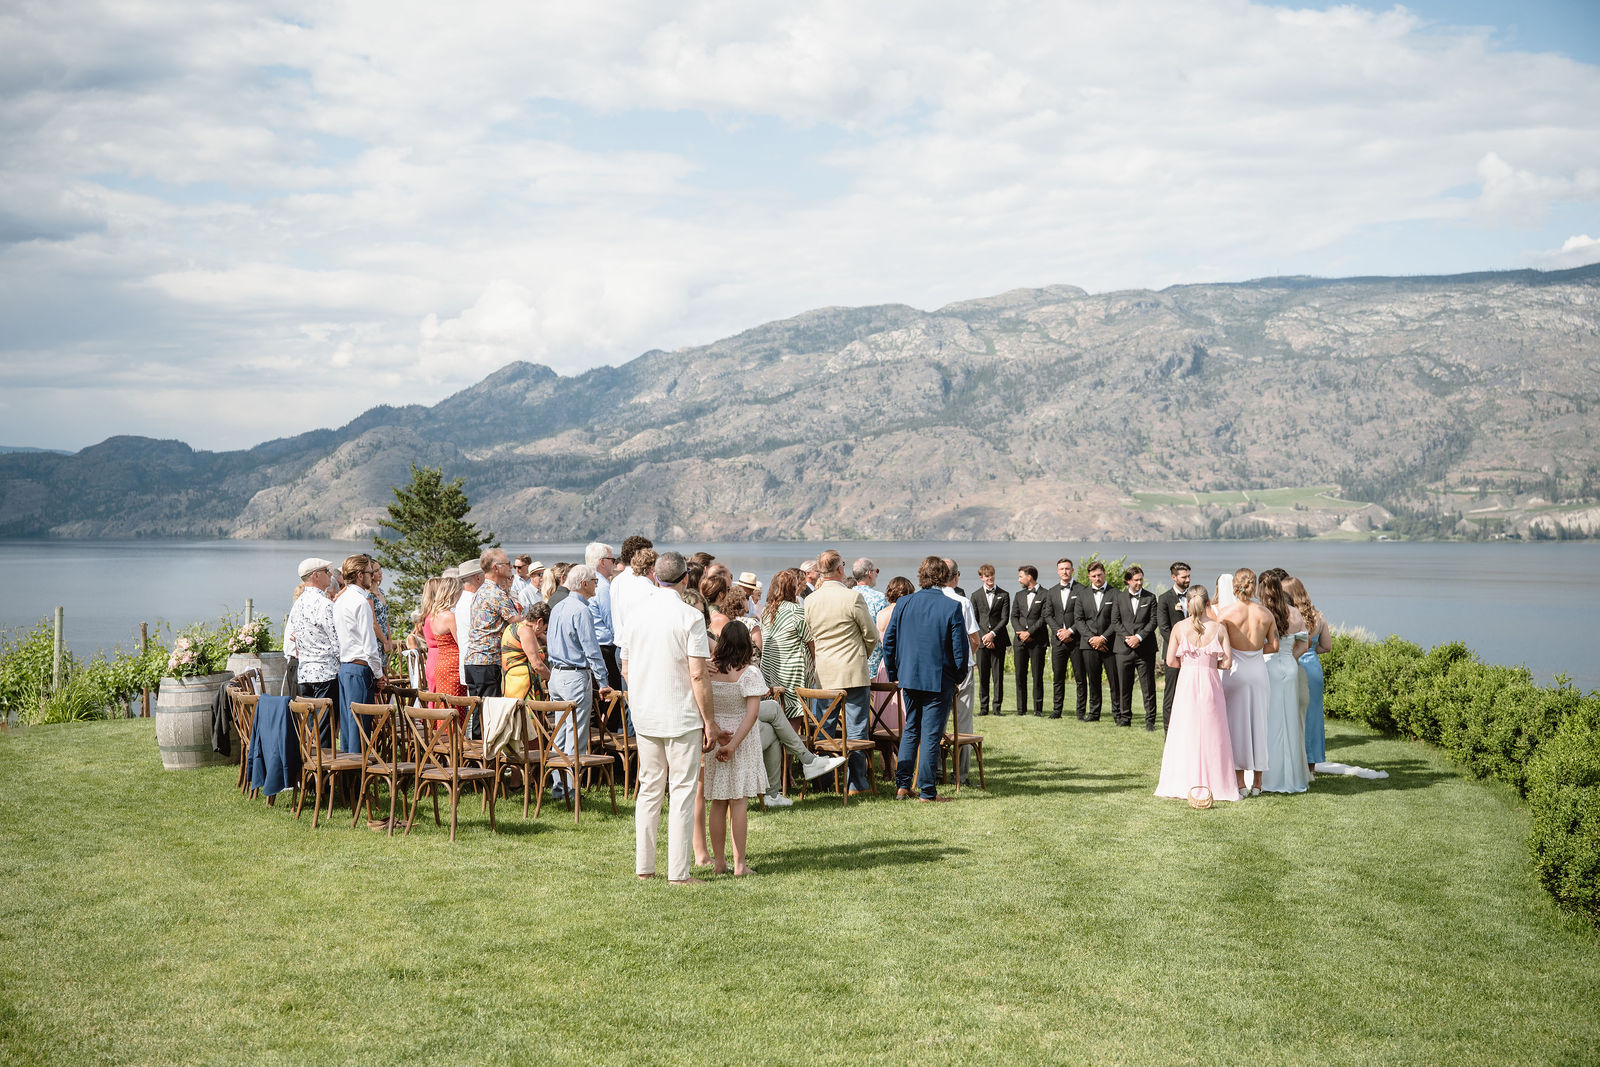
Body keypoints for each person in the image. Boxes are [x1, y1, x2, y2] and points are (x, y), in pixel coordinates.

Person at [620, 551, 723, 885]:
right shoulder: (689, 617)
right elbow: (698, 675)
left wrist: (640, 698)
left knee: (649, 790)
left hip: (646, 714)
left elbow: (626, 667)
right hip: (681, 715)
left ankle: (644, 867)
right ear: (685, 580)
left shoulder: (635, 615)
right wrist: (709, 721)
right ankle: (678, 872)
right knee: (681, 792)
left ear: (654, 578)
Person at [882, 556, 970, 802]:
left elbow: (889, 642)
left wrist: (895, 674)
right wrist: (958, 677)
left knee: (911, 730)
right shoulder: (951, 607)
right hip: (938, 679)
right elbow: (959, 650)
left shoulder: (904, 603)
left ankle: (902, 786)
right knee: (931, 734)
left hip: (909, 678)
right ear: (943, 577)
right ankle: (928, 791)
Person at [1154, 585, 1242, 803]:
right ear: (1207, 604)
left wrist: (1189, 664)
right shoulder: (1219, 628)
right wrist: (1212, 663)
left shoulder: (1179, 627)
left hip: (1186, 684)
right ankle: (1217, 783)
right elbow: (1228, 662)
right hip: (1210, 683)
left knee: (1185, 731)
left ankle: (1183, 781)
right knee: (1214, 734)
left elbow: (1170, 661)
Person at [803, 550, 879, 796]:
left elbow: (811, 634)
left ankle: (825, 781)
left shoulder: (811, 600)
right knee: (856, 729)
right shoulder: (852, 596)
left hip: (824, 672)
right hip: (853, 671)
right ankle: (856, 783)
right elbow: (871, 635)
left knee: (824, 728)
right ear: (839, 569)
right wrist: (861, 656)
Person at [701, 621, 768, 876]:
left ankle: (719, 863)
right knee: (738, 802)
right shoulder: (749, 673)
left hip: (717, 737)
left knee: (718, 802)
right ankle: (739, 864)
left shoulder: (709, 671)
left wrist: (717, 733)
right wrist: (733, 745)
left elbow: (701, 703)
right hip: (740, 739)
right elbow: (751, 715)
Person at [546, 565, 615, 800]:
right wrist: (603, 680)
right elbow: (592, 649)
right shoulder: (581, 610)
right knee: (576, 733)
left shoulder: (558, 606)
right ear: (584, 584)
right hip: (574, 675)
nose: (597, 584)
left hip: (556, 674)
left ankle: (559, 787)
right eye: (595, 581)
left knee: (560, 733)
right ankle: (572, 789)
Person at [1215, 568, 1274, 795]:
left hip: (1236, 672)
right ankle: (1258, 783)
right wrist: (1255, 651)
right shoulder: (1265, 614)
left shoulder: (1225, 614)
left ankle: (1240, 783)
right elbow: (1275, 645)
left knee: (1236, 726)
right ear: (1254, 586)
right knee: (1259, 724)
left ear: (1234, 587)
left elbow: (1219, 645)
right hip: (1258, 671)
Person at [1258, 572, 1309, 794]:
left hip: (1268, 667)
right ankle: (1293, 777)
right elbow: (1304, 645)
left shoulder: (1261, 613)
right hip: (1290, 667)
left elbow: (1258, 645)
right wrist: (1290, 658)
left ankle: (1269, 777)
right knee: (1289, 723)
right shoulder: (1296, 613)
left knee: (1269, 722)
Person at [464, 548, 524, 729]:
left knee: (479, 716)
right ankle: (486, 756)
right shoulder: (496, 594)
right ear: (496, 568)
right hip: (488, 661)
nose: (511, 567)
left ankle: (477, 754)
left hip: (474, 661)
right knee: (489, 718)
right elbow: (518, 624)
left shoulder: (481, 591)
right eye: (507, 564)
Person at [332, 553, 384, 752]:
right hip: (360, 668)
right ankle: (357, 777)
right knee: (360, 728)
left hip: (345, 668)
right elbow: (369, 647)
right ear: (361, 575)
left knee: (348, 726)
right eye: (371, 573)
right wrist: (379, 674)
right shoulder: (361, 603)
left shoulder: (340, 601)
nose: (373, 576)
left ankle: (349, 779)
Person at [1284, 576, 1332, 775]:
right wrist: (1312, 652)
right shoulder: (1319, 617)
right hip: (1313, 668)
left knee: (1292, 714)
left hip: (1294, 664)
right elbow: (1326, 646)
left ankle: (1293, 763)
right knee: (1313, 716)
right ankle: (1311, 767)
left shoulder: (1292, 617)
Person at [941, 559, 981, 783]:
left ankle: (937, 770)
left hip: (938, 668)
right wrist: (968, 657)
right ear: (956, 576)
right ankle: (960, 774)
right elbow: (973, 638)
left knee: (938, 719)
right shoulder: (962, 602)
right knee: (963, 721)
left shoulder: (929, 599)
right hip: (962, 668)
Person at [760, 569, 816, 721]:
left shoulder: (766, 612)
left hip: (771, 670)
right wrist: (814, 664)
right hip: (791, 672)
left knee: (776, 717)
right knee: (794, 718)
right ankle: (791, 745)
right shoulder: (795, 611)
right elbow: (811, 642)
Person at [1110, 564, 1159, 729]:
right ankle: (1125, 719)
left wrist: (1138, 637)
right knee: (1124, 686)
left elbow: (1153, 621)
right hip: (1123, 650)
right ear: (1128, 581)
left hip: (1145, 649)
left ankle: (1150, 720)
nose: (1139, 583)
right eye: (1136, 580)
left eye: (1141, 579)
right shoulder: (1118, 598)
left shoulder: (1150, 598)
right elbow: (1115, 622)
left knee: (1148, 686)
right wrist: (1127, 638)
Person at [285, 557, 339, 704]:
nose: (330, 575)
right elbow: (337, 641)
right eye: (327, 571)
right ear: (316, 575)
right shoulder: (325, 605)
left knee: (312, 723)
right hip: (326, 674)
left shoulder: (298, 604)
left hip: (304, 673)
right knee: (326, 725)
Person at [1071, 561, 1120, 722]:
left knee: (1115, 680)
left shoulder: (1116, 594)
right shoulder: (1082, 594)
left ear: (1104, 573)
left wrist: (1103, 638)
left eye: (1099, 575)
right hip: (1088, 644)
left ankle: (1118, 714)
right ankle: (1094, 713)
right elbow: (1078, 620)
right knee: (1093, 680)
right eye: (1093, 576)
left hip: (1110, 644)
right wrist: (1092, 638)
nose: (1097, 578)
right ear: (1089, 577)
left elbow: (1117, 620)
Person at [1154, 562, 1194, 732]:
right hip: (1173, 654)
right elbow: (1163, 628)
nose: (1188, 580)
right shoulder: (1164, 598)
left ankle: (1188, 728)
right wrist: (1179, 647)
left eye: (1188, 576)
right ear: (1174, 577)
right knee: (1170, 694)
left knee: (1190, 694)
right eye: (1184, 577)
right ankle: (1168, 730)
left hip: (1194, 655)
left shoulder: (1195, 596)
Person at [1043, 558, 1083, 719]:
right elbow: (1048, 615)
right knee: (1058, 677)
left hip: (1077, 640)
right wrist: (1059, 631)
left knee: (1080, 678)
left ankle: (1081, 712)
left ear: (1072, 570)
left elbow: (1084, 616)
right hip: (1058, 640)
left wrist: (1071, 631)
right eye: (1062, 569)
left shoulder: (1082, 590)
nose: (1065, 571)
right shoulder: (1051, 591)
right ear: (1057, 571)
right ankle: (1057, 710)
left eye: (1067, 568)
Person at [971, 563, 1010, 717]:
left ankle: (997, 708)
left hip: (998, 640)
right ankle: (983, 707)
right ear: (981, 578)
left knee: (998, 676)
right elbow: (974, 619)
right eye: (987, 576)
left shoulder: (1004, 594)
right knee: (983, 676)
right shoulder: (975, 595)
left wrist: (992, 634)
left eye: (992, 575)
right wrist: (984, 637)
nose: (990, 578)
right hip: (981, 641)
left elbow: (1004, 619)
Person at [1010, 565, 1047, 717]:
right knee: (1020, 675)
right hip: (1020, 641)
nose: (1019, 579)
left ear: (1029, 577)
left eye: (1020, 576)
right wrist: (1021, 633)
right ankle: (1021, 709)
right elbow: (1014, 616)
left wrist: (1030, 632)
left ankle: (1038, 709)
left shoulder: (1046, 594)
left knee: (1037, 676)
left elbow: (1044, 617)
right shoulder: (1019, 595)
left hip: (1037, 640)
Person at [586, 541, 622, 689]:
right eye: (612, 560)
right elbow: (610, 618)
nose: (613, 564)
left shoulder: (589, 581)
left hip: (595, 645)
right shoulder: (603, 587)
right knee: (613, 690)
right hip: (606, 648)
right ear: (602, 562)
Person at [500, 600, 551, 701]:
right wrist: (552, 679)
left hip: (510, 685)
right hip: (524, 689)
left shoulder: (511, 627)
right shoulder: (526, 631)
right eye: (544, 628)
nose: (543, 632)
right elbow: (537, 665)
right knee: (526, 717)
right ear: (540, 622)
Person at [428, 574, 465, 700]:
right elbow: (460, 642)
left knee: (444, 705)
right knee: (455, 706)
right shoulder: (450, 617)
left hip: (441, 664)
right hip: (454, 666)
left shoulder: (434, 615)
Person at [853, 558, 889, 679]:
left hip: (852, 660)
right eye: (876, 571)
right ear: (869, 573)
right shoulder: (879, 598)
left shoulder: (847, 595)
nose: (877, 575)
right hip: (874, 662)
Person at [453, 559, 483, 688]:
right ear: (477, 577)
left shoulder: (461, 600)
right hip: (478, 661)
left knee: (473, 702)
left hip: (467, 659)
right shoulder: (474, 601)